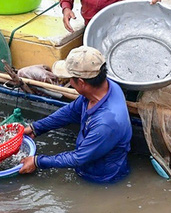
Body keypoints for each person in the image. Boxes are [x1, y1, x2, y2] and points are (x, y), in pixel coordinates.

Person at [19, 46, 132, 183]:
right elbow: (70, 112)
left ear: (82, 83)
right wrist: (36, 128)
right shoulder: (106, 87)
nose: (69, 82)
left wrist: (38, 161)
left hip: (100, 177)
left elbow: (79, 158)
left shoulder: (106, 123)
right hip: (92, 157)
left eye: (70, 79)